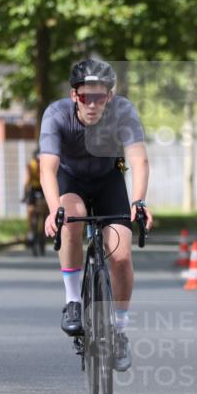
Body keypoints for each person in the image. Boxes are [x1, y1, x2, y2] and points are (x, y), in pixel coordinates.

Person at [40, 58, 153, 372]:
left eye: (99, 97)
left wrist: (139, 201)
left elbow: (139, 161)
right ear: (74, 95)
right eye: (85, 96)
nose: (92, 104)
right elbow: (47, 168)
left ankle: (119, 329)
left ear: (111, 96)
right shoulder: (57, 115)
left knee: (120, 254)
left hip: (108, 180)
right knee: (71, 219)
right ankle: (74, 301)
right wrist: (54, 210)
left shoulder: (124, 112)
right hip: (70, 181)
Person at [23, 149, 47, 242]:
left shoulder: (30, 165)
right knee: (43, 209)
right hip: (41, 188)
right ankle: (41, 231)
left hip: (34, 189)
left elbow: (27, 181)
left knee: (30, 209)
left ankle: (30, 232)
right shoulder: (44, 164)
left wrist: (24, 194)